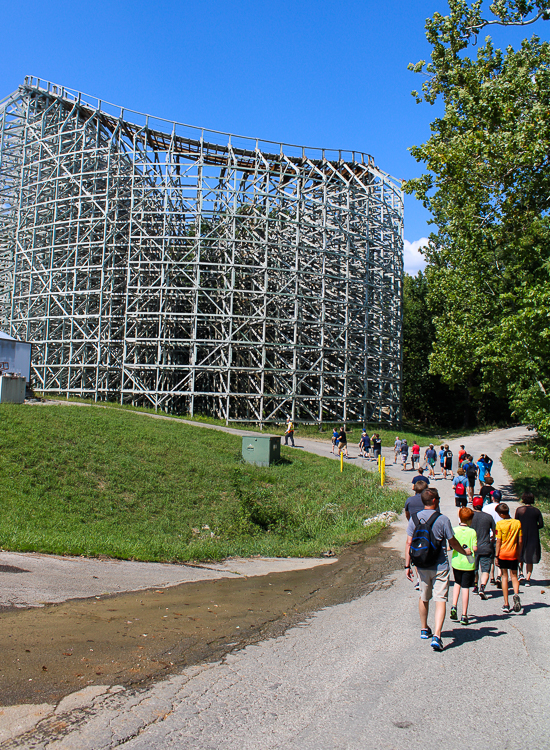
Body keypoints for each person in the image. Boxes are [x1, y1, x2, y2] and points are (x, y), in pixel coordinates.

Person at [405, 488, 473, 651]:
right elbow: (453, 542)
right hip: (440, 565)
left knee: (424, 596)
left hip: (421, 565)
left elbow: (409, 543)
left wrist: (407, 565)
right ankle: (437, 636)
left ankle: (423, 628)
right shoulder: (442, 519)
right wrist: (464, 552)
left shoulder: (414, 518)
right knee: (440, 599)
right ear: (434, 501)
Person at [449, 507, 478, 626]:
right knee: (465, 588)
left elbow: (451, 546)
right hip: (468, 563)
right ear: (470, 520)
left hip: (457, 562)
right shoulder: (472, 532)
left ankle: (454, 605)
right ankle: (464, 615)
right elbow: (475, 548)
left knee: (457, 583)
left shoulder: (454, 530)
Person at [495, 503, 523, 613]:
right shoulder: (517, 523)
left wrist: (496, 555)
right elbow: (520, 540)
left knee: (504, 577)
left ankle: (506, 604)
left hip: (503, 553)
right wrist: (519, 553)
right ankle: (516, 594)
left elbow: (498, 541)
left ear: (502, 514)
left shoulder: (500, 524)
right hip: (513, 553)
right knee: (514, 576)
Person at [515, 492, 544, 585]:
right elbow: (541, 524)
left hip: (521, 534)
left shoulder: (519, 510)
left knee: (520, 554)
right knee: (530, 557)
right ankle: (528, 579)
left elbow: (516, 523)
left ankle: (521, 573)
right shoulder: (536, 511)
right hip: (533, 535)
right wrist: (534, 527)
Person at [471, 496, 496, 599]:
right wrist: (492, 539)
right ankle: (482, 587)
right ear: (482, 505)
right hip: (486, 546)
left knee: (474, 568)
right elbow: (494, 531)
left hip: (473, 548)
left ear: (473, 505)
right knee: (485, 569)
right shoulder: (488, 517)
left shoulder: (470, 516)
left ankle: (475, 586)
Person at [483, 489, 503, 586]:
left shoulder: (486, 508)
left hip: (489, 536)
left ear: (493, 497)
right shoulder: (503, 508)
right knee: (499, 556)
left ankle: (492, 577)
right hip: (500, 536)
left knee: (490, 558)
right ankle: (499, 576)